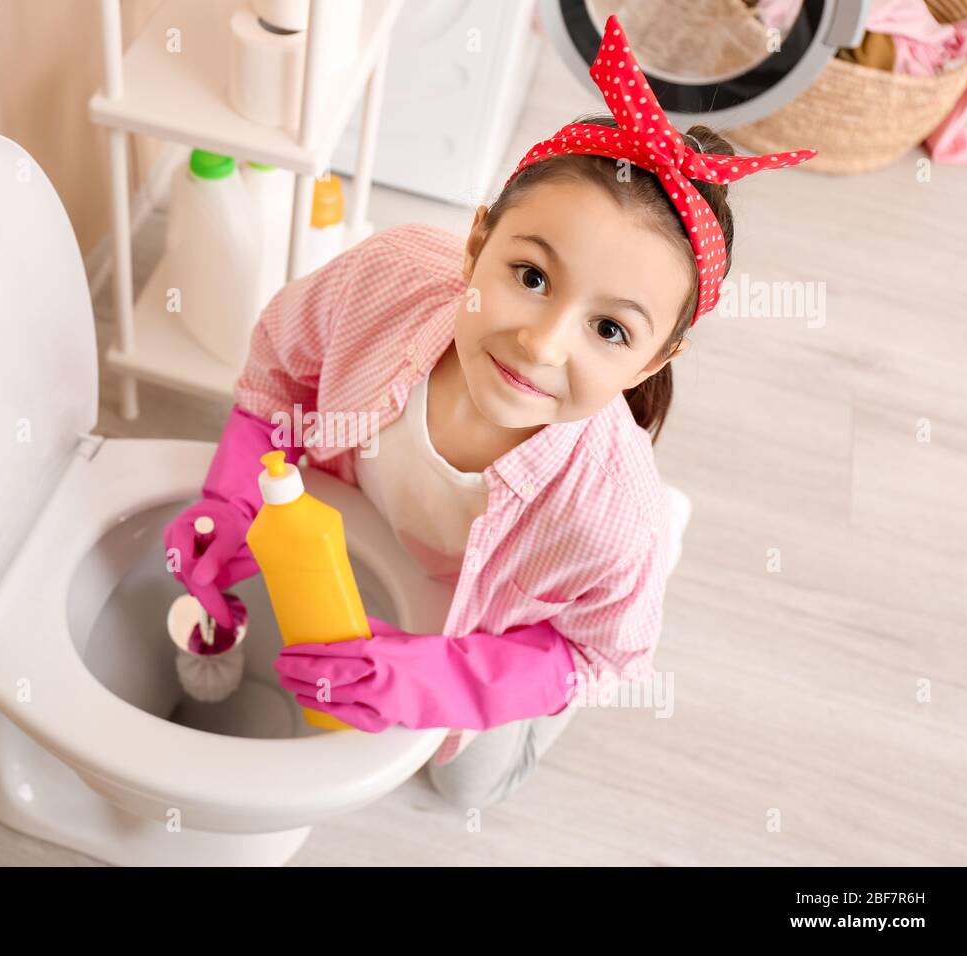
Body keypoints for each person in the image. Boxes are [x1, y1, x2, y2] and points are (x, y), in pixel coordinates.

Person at [163, 14, 817, 810]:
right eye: (532, 276)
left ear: (650, 362)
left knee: (463, 783)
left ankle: (670, 534)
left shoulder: (611, 517)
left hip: (507, 609)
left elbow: (600, 657)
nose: (540, 344)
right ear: (477, 241)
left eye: (609, 330)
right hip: (375, 520)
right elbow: (278, 364)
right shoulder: (391, 277)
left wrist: (444, 682)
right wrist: (230, 498)